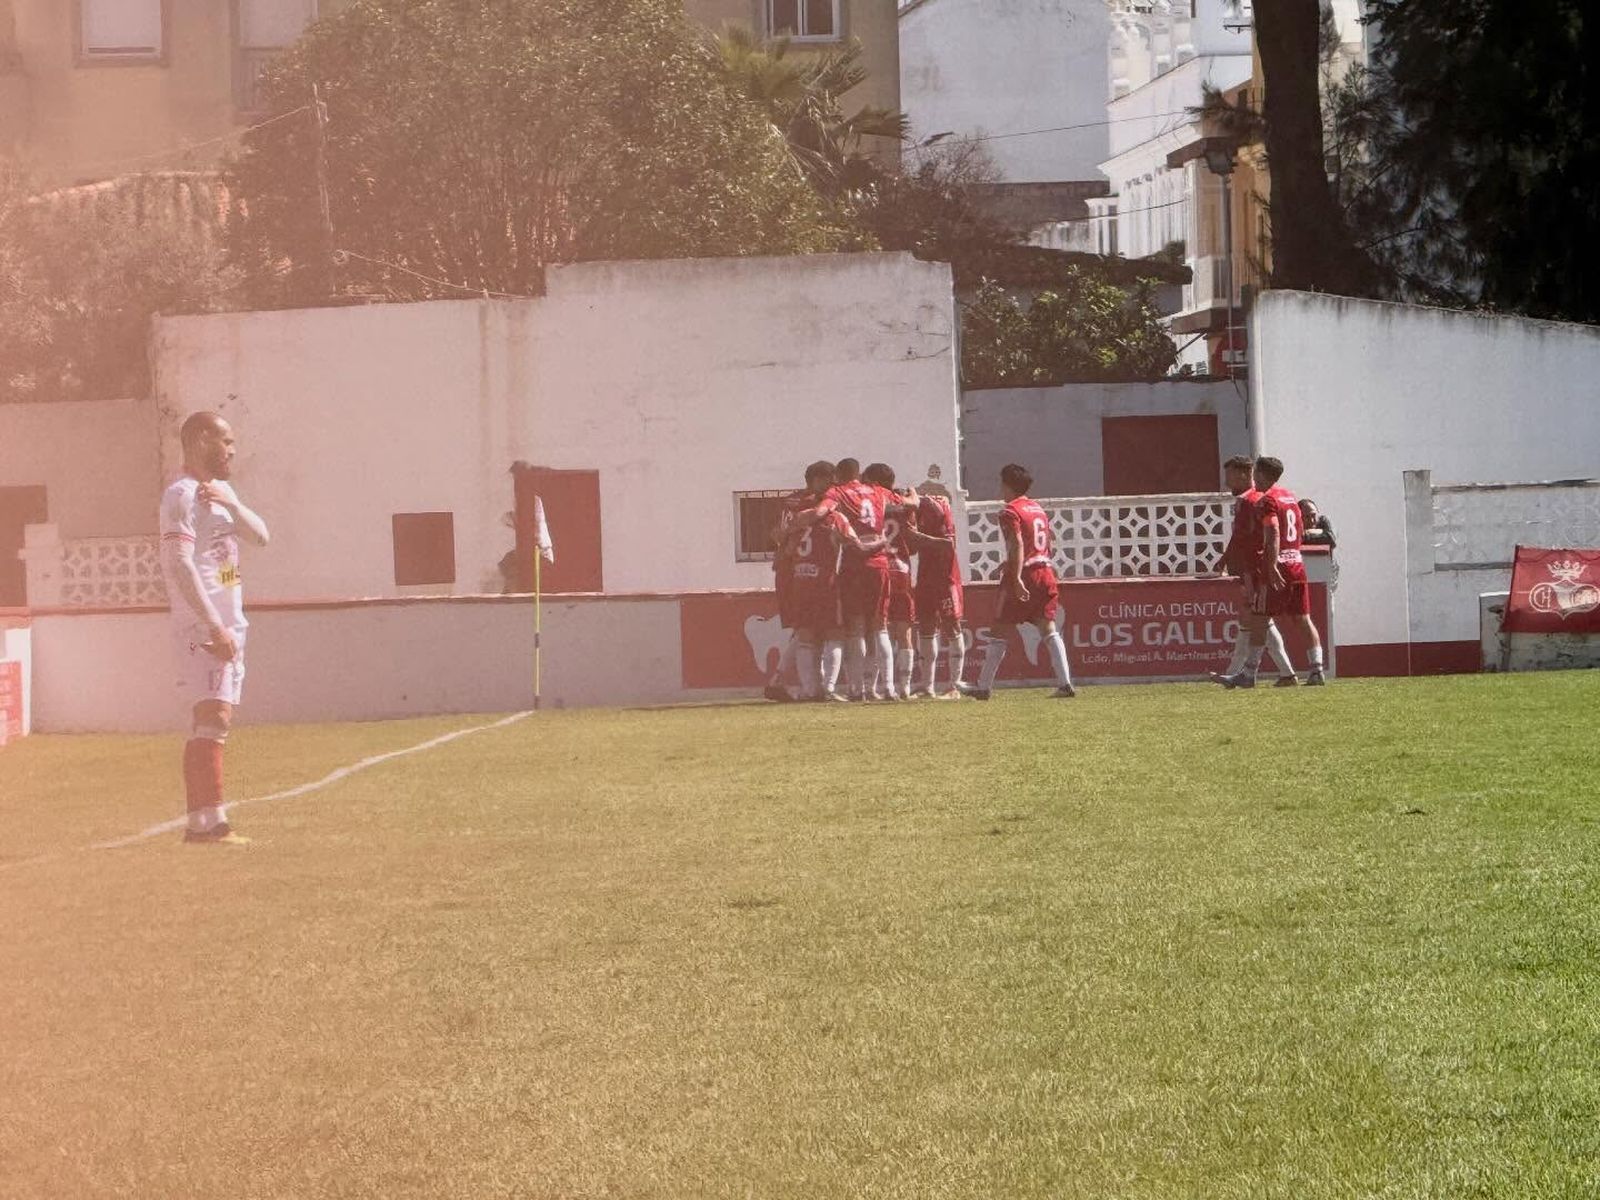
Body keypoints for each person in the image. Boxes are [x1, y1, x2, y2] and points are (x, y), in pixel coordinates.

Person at [159, 412, 270, 845]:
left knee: (215, 718)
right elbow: (179, 564)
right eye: (226, 440)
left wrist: (231, 503)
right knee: (212, 716)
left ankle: (203, 823)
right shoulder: (179, 496)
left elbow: (261, 538)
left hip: (228, 621)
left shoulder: (221, 494)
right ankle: (209, 825)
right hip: (202, 625)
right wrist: (212, 625)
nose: (232, 450)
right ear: (202, 439)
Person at [971, 463, 1075, 700]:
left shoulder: (1010, 511)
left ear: (1007, 485)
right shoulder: (1037, 509)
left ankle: (983, 687)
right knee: (1048, 628)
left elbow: (1017, 543)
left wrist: (1015, 575)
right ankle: (1065, 683)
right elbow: (1048, 540)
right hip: (1045, 570)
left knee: (999, 630)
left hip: (1025, 573)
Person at [1222, 456, 1326, 688]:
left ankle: (1248, 674)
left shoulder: (1267, 501)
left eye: (1255, 474)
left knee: (1259, 618)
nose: (1253, 479)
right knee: (1302, 619)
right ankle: (1317, 669)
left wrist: (1270, 566)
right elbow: (1299, 532)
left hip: (1277, 566)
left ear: (1262, 475)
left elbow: (1273, 533)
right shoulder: (1290, 497)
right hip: (1297, 565)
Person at [816, 459, 914, 700]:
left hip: (854, 564)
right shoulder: (878, 491)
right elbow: (912, 502)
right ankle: (889, 688)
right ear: (858, 474)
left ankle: (857, 689)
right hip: (879, 563)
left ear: (839, 474)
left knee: (857, 628)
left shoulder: (837, 491)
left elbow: (823, 510)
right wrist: (913, 494)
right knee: (880, 626)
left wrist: (815, 515)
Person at [1212, 454, 1298, 688]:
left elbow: (1252, 541)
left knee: (1254, 617)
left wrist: (1249, 574)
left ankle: (1240, 672)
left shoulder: (1252, 501)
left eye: (1230, 475)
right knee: (1257, 619)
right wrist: (1226, 558)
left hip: (1254, 569)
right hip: (1253, 567)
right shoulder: (1252, 499)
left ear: (1243, 474)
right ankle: (1284, 673)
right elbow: (1241, 537)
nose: (1226, 482)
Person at [765, 462, 835, 702]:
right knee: (807, 628)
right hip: (797, 571)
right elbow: (782, 535)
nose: (831, 484)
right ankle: (809, 688)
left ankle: (780, 680)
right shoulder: (816, 503)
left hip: (791, 569)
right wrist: (789, 545)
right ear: (815, 479)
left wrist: (784, 543)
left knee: (805, 628)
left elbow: (775, 533)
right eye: (827, 478)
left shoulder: (789, 501)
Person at [863, 463, 917, 700]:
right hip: (902, 570)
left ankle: (871, 687)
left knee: (877, 628)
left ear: (873, 481)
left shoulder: (870, 499)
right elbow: (913, 542)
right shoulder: (901, 502)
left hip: (878, 569)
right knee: (904, 628)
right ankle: (904, 687)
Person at [908, 489, 965, 698]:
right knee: (926, 626)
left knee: (952, 626)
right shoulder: (920, 510)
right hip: (925, 577)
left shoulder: (936, 506)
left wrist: (918, 537)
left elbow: (948, 545)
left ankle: (954, 686)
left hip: (945, 578)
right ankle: (927, 685)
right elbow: (914, 547)